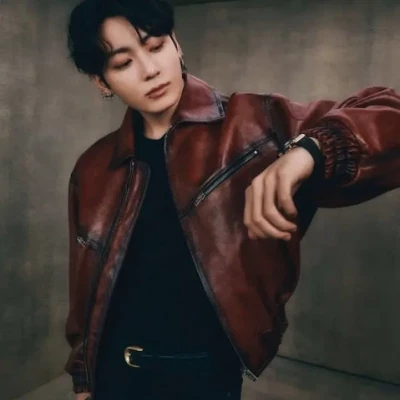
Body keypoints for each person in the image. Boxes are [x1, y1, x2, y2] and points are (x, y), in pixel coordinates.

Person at [64, 1, 400, 399]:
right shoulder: (93, 168)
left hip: (205, 376)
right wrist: (83, 377)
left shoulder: (257, 123)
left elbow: (389, 114)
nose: (150, 69)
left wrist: (309, 151)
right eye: (123, 63)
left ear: (176, 44)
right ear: (101, 82)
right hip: (113, 375)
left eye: (156, 46)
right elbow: (85, 286)